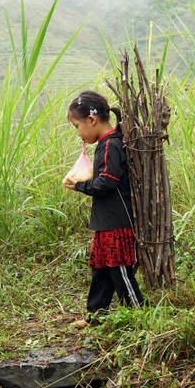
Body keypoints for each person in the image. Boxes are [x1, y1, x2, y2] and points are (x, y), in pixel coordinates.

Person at [63, 91, 143, 326]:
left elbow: (107, 182)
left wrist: (79, 185)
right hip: (105, 221)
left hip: (116, 222)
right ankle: (96, 316)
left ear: (91, 120)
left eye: (77, 126)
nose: (78, 133)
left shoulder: (111, 145)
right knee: (101, 269)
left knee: (119, 272)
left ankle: (140, 316)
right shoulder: (105, 145)